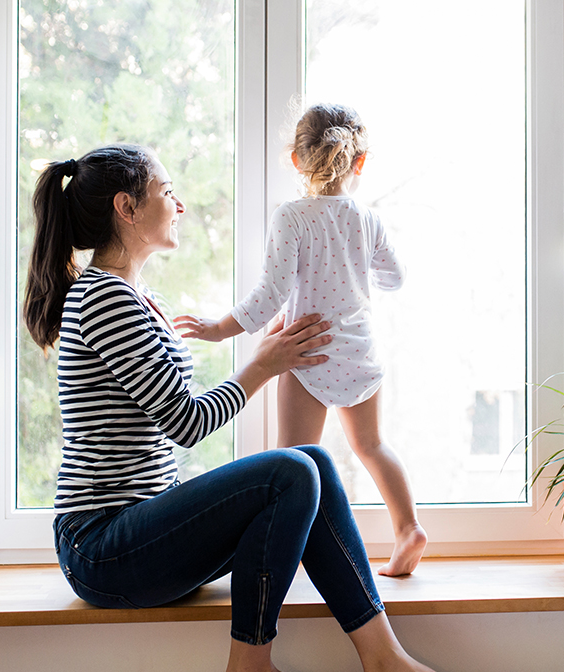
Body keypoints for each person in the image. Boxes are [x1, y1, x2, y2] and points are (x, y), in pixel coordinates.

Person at [23, 143, 435, 672]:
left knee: (312, 460)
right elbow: (187, 422)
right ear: (126, 208)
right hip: (102, 547)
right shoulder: (104, 298)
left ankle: (384, 658)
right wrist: (264, 364)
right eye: (167, 192)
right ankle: (250, 666)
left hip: (138, 531)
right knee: (290, 470)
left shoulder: (138, 297)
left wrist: (268, 357)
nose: (180, 205)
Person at [180, 104, 428, 577]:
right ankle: (408, 528)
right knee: (373, 445)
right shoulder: (366, 218)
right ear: (359, 162)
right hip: (359, 352)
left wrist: (216, 328)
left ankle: (286, 557)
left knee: (291, 464)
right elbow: (394, 278)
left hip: (305, 352)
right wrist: (357, 266)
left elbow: (269, 296)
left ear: (295, 159)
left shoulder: (290, 218)